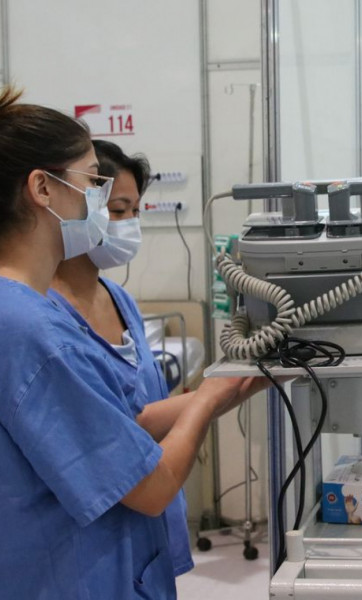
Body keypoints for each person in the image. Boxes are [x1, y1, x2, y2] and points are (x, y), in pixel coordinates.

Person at [0, 87, 267, 599]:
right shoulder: (33, 330)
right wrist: (209, 399)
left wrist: (234, 384)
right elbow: (153, 487)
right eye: (93, 184)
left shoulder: (23, 315)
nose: (102, 204)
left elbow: (117, 425)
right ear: (43, 189)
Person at [47, 140, 194, 577]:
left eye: (136, 211)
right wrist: (210, 399)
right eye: (117, 210)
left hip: (148, 517)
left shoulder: (120, 299)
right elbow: (115, 432)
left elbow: (141, 414)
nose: (129, 224)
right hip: (90, 534)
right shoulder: (42, 314)